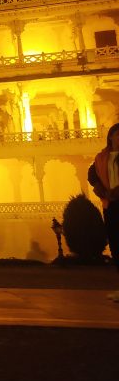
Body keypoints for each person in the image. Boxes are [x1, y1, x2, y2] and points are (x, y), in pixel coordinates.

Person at [87, 122, 119, 301]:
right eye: (117, 134)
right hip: (110, 205)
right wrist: (100, 189)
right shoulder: (102, 157)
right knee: (116, 245)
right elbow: (91, 175)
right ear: (111, 137)